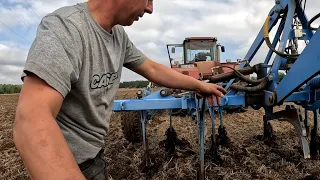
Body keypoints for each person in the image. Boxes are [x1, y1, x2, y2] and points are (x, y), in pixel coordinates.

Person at [13, 0, 227, 179]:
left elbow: (152, 68)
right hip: (66, 164)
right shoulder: (66, 29)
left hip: (95, 156)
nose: (150, 9)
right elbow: (31, 121)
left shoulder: (118, 36)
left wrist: (200, 85)